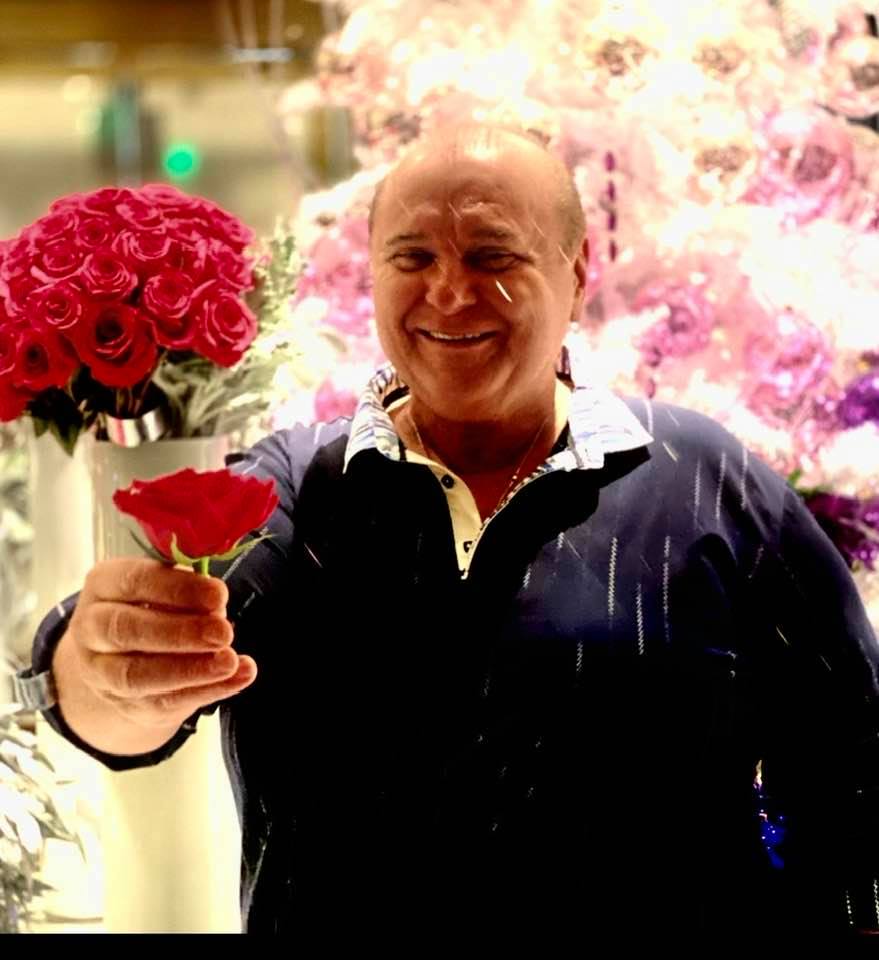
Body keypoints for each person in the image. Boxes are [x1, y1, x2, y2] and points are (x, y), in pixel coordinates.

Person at [17, 123, 879, 942]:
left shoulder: (705, 479)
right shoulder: (287, 492)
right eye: (412, 258)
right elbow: (117, 697)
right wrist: (105, 669)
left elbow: (854, 756)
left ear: (577, 274)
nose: (450, 292)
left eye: (493, 255)